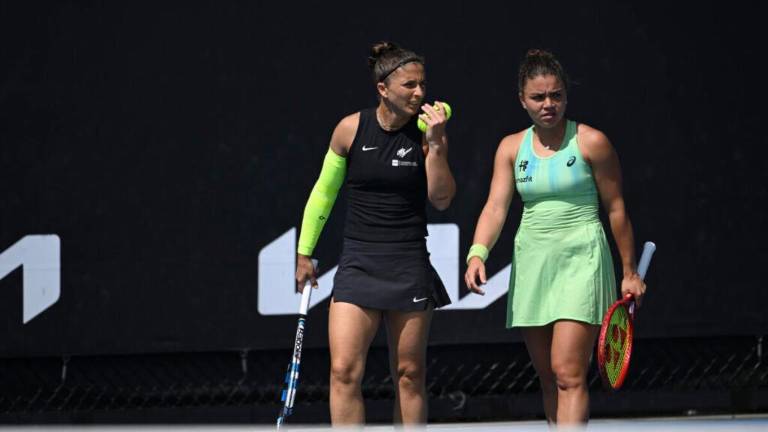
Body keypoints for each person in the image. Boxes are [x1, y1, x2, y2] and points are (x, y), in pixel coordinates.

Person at [464, 49, 646, 426]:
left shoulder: (593, 142)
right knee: (548, 378)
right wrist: (477, 253)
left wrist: (629, 270)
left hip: (583, 259)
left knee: (568, 373)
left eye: (557, 95)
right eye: (538, 97)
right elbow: (496, 208)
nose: (549, 104)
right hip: (533, 263)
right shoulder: (511, 148)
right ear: (522, 100)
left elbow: (616, 209)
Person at [294, 41, 456, 426]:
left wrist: (435, 146)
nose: (420, 93)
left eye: (423, 84)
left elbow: (442, 199)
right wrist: (305, 252)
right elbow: (324, 192)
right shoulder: (350, 129)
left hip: (408, 263)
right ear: (383, 88)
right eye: (409, 85)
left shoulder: (428, 134)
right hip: (358, 265)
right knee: (344, 371)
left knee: (409, 374)